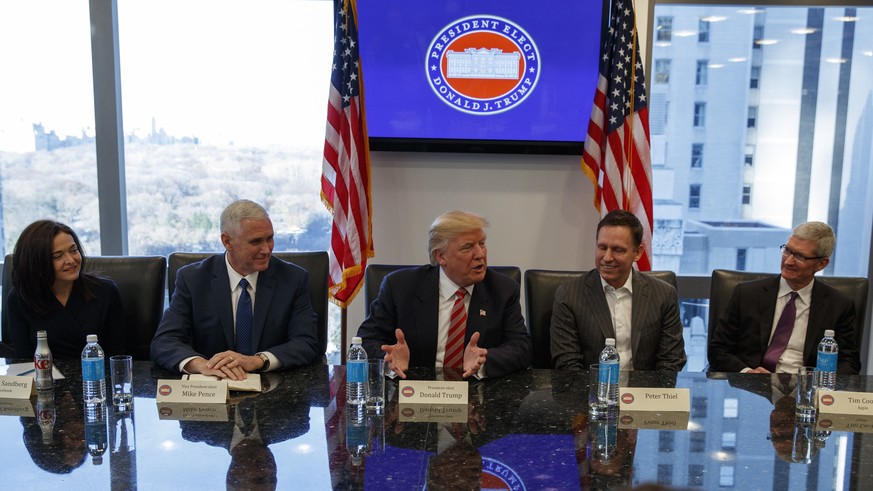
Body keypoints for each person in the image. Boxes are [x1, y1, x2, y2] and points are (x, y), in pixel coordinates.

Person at [150, 199, 319, 378]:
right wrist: (202, 365)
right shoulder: (193, 279)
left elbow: (306, 342)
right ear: (227, 242)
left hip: (273, 386)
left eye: (269, 238)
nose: (266, 249)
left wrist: (257, 360)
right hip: (209, 390)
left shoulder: (293, 279)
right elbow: (165, 342)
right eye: (256, 242)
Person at [356, 210, 531, 379]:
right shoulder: (399, 287)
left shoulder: (503, 289)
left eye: (482, 243)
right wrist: (387, 361)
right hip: (414, 393)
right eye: (468, 247)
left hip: (477, 395)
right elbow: (365, 342)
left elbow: (521, 348)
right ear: (441, 256)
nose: (480, 254)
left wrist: (485, 360)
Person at [709, 221, 861, 374]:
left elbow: (849, 362)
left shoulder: (838, 306)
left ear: (821, 264)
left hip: (807, 390)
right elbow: (718, 350)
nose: (788, 261)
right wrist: (747, 373)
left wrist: (818, 382)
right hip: (753, 386)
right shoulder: (747, 294)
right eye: (787, 251)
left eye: (800, 256)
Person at [550, 210, 686, 372]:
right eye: (602, 247)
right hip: (590, 392)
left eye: (617, 250)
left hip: (645, 392)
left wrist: (651, 396)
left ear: (638, 252)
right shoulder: (569, 294)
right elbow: (567, 363)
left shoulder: (664, 294)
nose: (607, 257)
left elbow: (671, 361)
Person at [7, 220, 124, 359]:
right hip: (43, 378)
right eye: (58, 256)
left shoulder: (106, 292)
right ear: (36, 263)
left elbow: (118, 359)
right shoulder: (21, 298)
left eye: (73, 250)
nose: (71, 260)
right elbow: (23, 362)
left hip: (97, 378)